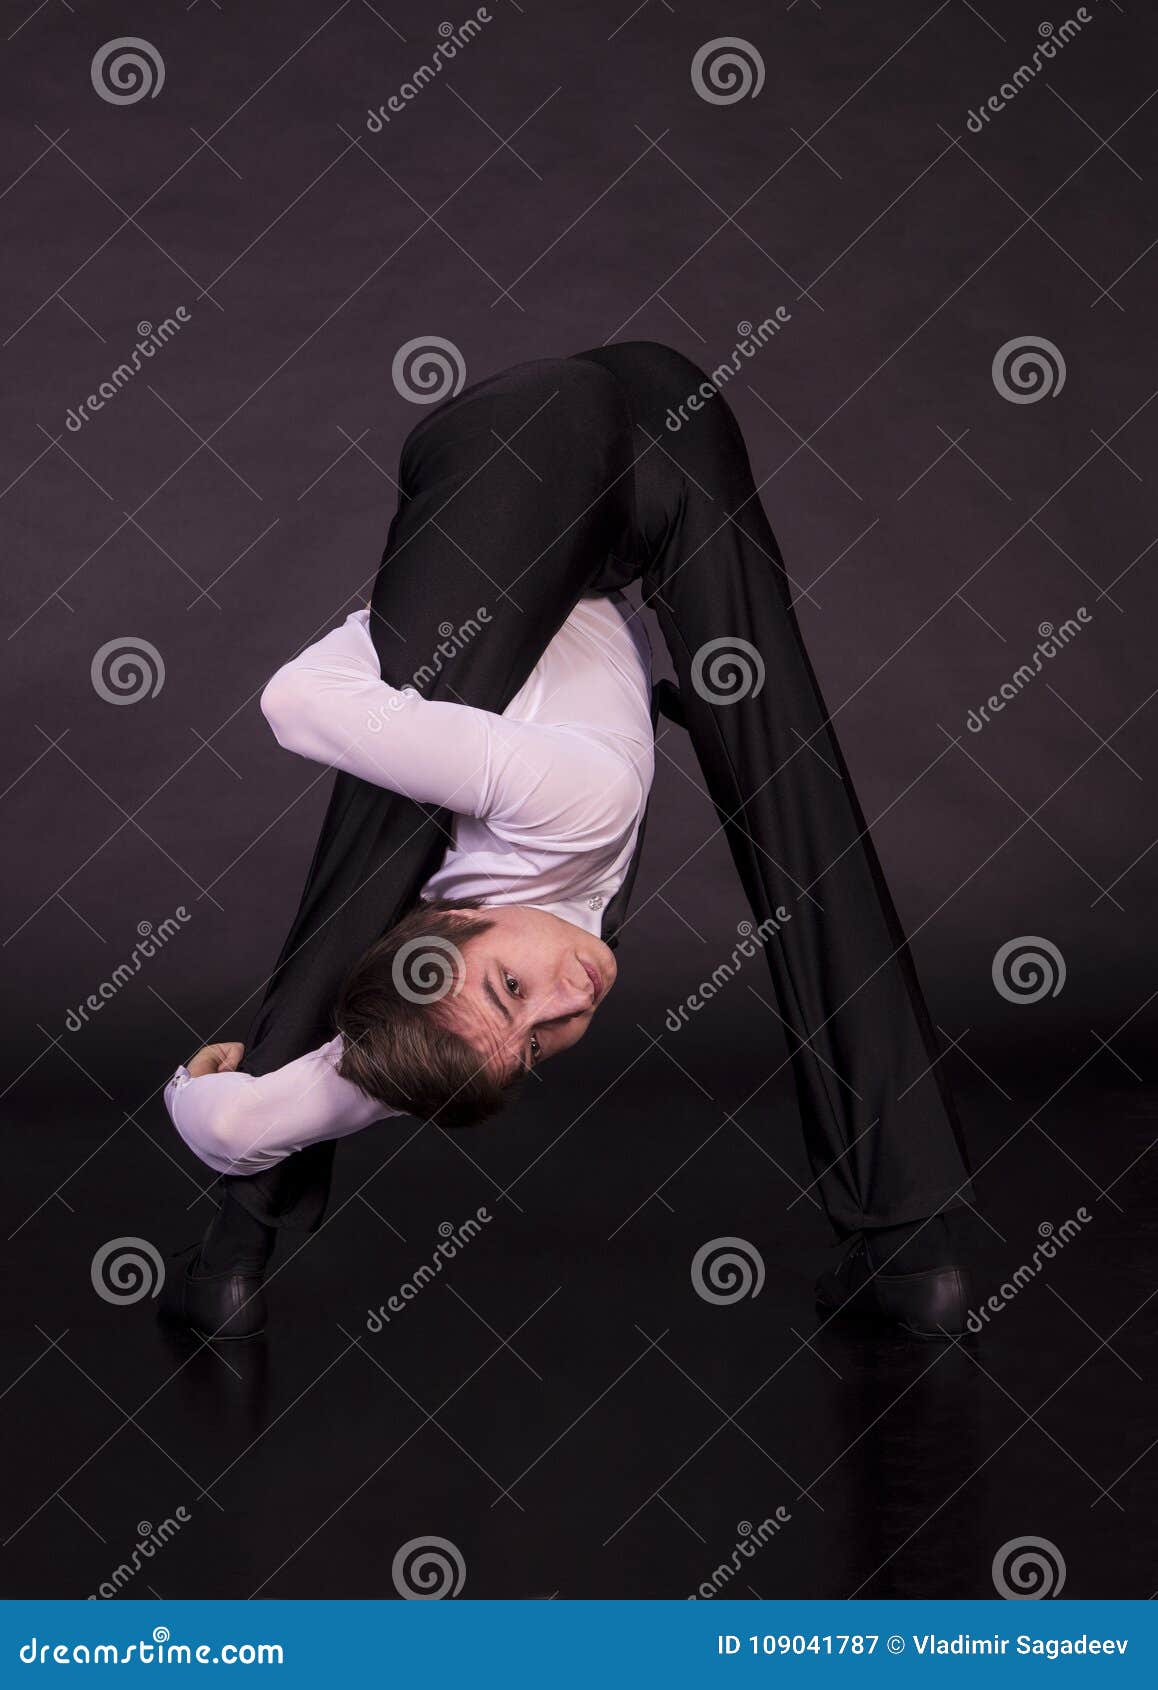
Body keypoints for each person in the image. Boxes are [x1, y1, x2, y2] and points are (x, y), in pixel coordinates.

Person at [161, 341, 975, 1343]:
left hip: (539, 443)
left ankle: (233, 1260)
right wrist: (218, 1103)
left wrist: (384, 627)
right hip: (667, 426)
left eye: (513, 988)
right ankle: (913, 1250)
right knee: (792, 787)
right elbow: (304, 1098)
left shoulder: (563, 811)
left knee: (387, 810)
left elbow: (293, 702)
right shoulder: (457, 1017)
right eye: (534, 1041)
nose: (567, 999)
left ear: (453, 918)